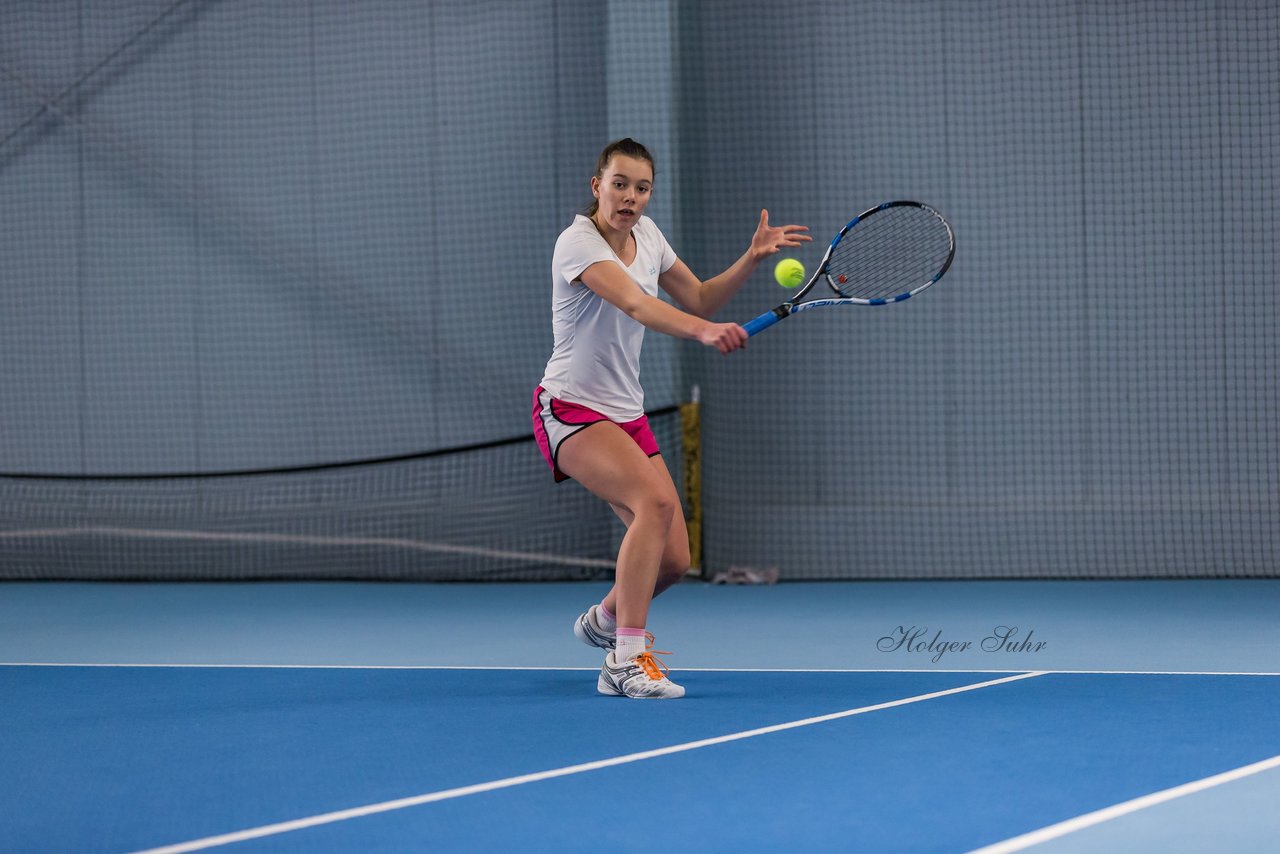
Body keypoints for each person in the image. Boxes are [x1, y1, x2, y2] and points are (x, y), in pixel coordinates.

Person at [532, 138, 809, 698]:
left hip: (625, 413)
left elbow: (702, 298)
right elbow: (636, 304)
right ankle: (624, 661)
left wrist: (750, 260)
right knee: (653, 506)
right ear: (597, 186)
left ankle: (606, 619)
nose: (630, 197)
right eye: (619, 184)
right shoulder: (577, 243)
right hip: (569, 408)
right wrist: (701, 333)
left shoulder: (650, 237)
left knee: (677, 559)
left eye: (641, 187)